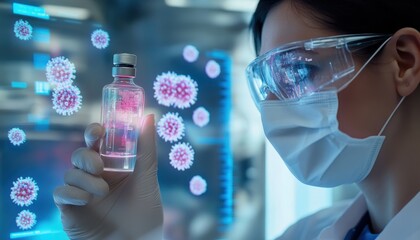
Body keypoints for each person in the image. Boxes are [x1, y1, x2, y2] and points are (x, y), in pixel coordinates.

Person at [53, 0, 420, 239]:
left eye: (298, 71)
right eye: (267, 82)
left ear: (403, 62)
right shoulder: (305, 233)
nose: (275, 108)